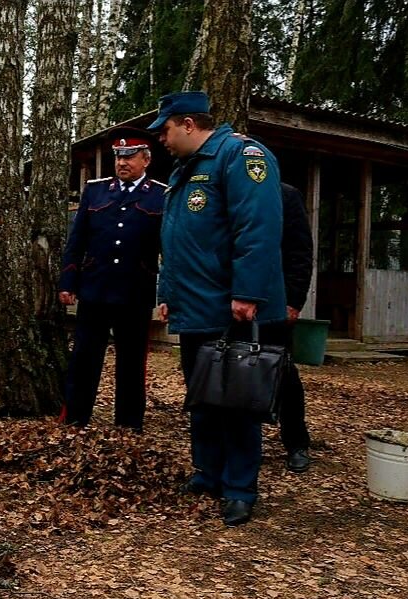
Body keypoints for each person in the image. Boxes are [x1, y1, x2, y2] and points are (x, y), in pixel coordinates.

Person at [148, 91, 286, 526]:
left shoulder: (241, 156)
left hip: (231, 307)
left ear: (189, 124)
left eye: (166, 131)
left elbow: (257, 227)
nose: (162, 141)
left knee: (237, 399)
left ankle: (240, 487)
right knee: (203, 395)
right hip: (194, 304)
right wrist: (167, 293)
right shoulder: (186, 168)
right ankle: (208, 472)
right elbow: (175, 241)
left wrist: (247, 292)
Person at [58, 127, 165, 432]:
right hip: (95, 289)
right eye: (118, 156)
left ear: (146, 159)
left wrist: (168, 291)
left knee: (132, 365)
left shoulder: (160, 195)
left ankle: (128, 426)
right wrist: (68, 282)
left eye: (130, 156)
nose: (122, 162)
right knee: (84, 359)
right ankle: (76, 420)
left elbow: (168, 246)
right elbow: (76, 241)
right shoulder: (96, 190)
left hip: (135, 292)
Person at [278, 182, 314, 472]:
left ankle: (296, 442)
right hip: (226, 301)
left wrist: (294, 300)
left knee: (283, 372)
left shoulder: (286, 195)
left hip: (275, 301)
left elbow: (300, 252)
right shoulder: (223, 190)